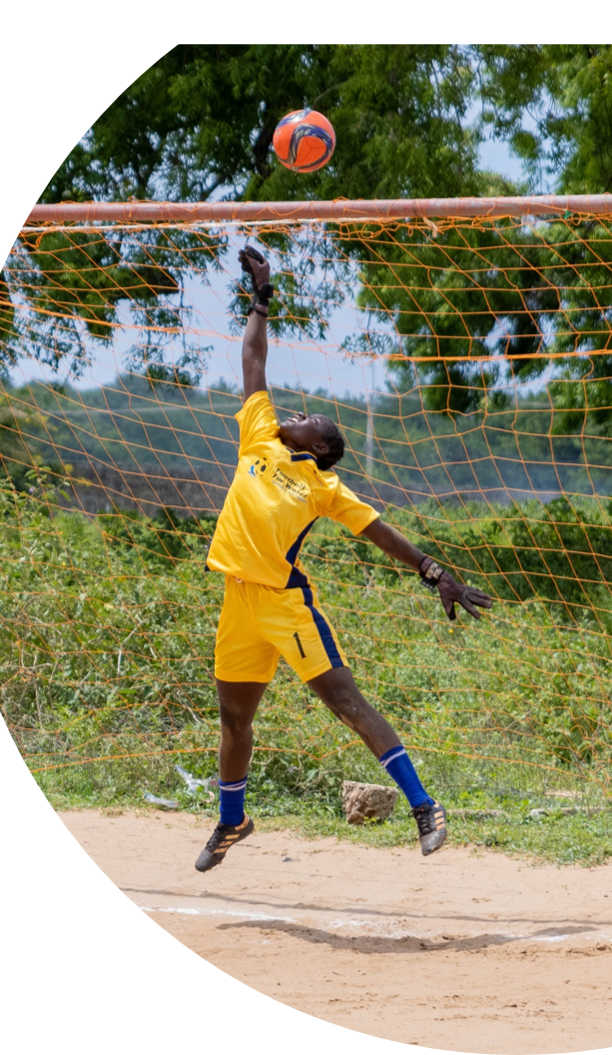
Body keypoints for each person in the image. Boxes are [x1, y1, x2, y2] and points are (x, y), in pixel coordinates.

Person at [195, 246, 493, 873]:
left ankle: (423, 805)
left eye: (309, 419)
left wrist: (433, 572)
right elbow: (253, 357)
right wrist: (261, 295)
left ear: (322, 445)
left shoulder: (324, 487)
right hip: (237, 601)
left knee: (346, 703)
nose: (295, 414)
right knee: (233, 720)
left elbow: (380, 532)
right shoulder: (260, 433)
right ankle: (232, 819)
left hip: (285, 606)